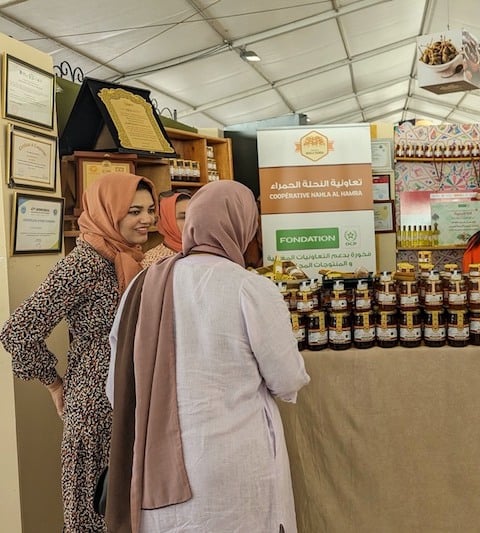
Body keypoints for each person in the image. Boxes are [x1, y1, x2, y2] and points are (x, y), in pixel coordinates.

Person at [105, 180, 310, 532]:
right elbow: (287, 379)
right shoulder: (250, 287)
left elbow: (116, 387)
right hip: (236, 464)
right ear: (243, 227)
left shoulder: (142, 286)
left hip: (158, 470)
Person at [0, 173, 156, 533]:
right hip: (96, 412)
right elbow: (18, 331)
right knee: (95, 517)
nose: (146, 219)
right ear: (108, 212)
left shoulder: (127, 258)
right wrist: (55, 384)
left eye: (149, 210)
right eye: (134, 211)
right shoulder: (83, 263)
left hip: (128, 404)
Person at [141, 189, 191, 267]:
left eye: (194, 215)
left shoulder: (206, 251)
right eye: (183, 217)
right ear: (167, 221)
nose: (192, 221)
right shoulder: (153, 262)